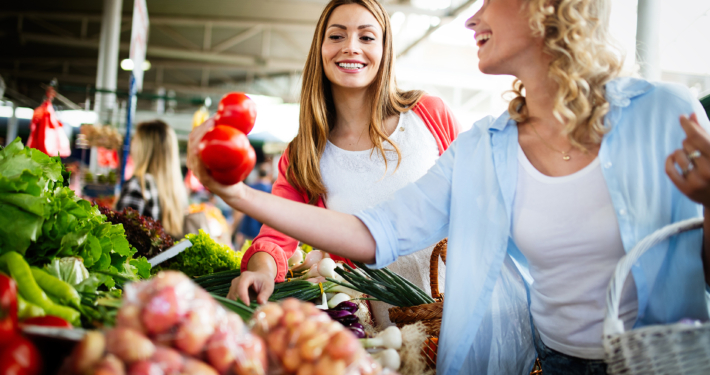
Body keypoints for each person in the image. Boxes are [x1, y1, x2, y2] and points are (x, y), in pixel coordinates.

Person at [188, 0, 710, 373]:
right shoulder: (488, 147)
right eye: (337, 35)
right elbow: (378, 232)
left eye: (487, 1)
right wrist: (237, 195)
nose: (471, 17)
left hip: (666, 360)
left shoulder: (665, 114)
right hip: (541, 357)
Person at [223, 0, 460, 327]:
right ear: (320, 48)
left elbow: (474, 201)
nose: (350, 48)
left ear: (384, 49)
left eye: (366, 37)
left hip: (463, 317)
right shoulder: (305, 152)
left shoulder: (428, 115)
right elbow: (275, 235)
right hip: (386, 342)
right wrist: (261, 272)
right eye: (336, 36)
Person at [117, 120, 187, 238]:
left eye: (135, 140)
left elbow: (121, 239)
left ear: (143, 148)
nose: (132, 144)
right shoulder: (177, 189)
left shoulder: (139, 185)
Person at [235, 163, 274, 246]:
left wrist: (236, 228)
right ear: (270, 175)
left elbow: (240, 211)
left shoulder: (250, 187)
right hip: (263, 233)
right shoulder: (272, 190)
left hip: (247, 230)